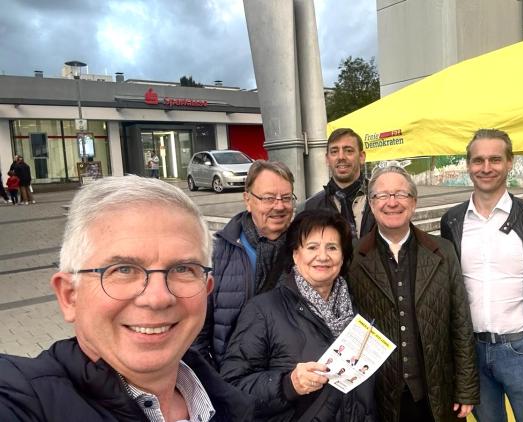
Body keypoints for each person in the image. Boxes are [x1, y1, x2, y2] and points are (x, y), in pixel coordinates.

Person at [0, 176, 252, 421]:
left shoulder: (231, 403)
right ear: (69, 296)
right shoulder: (23, 398)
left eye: (182, 269)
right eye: (123, 269)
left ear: (206, 290)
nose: (157, 298)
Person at [440, 129, 523, 422]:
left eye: (495, 159)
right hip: (472, 353)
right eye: (478, 160)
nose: (486, 167)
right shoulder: (452, 221)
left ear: (510, 163)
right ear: (468, 165)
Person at [348, 165, 479, 422]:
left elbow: (461, 323)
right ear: (371, 205)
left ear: (414, 202)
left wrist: (465, 389)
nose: (392, 202)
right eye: (382, 196)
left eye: (401, 194)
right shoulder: (353, 257)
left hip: (435, 391)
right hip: (379, 395)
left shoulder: (442, 251)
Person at [220, 209, 377, 421]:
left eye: (332, 247)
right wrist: (287, 384)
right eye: (312, 247)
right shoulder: (263, 310)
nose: (323, 256)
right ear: (295, 254)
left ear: (342, 257)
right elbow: (231, 389)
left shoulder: (357, 313)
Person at [193, 160, 296, 367]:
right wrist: (217, 385)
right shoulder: (217, 253)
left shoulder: (306, 251)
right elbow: (197, 333)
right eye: (268, 198)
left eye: (286, 198)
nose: (280, 206)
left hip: (292, 382)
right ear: (248, 200)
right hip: (232, 381)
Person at [303, 128, 375, 239]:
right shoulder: (311, 207)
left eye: (348, 151)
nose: (341, 157)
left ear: (361, 157)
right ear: (327, 159)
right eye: (334, 152)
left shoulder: (383, 199)